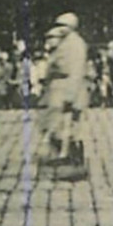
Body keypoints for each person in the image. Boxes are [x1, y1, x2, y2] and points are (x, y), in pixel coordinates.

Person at [39, 12, 90, 175]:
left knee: (69, 126)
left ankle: (70, 159)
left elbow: (76, 71)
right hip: (61, 89)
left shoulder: (75, 44)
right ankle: (63, 155)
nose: (58, 29)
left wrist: (70, 95)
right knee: (57, 124)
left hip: (70, 89)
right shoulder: (65, 43)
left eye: (62, 25)